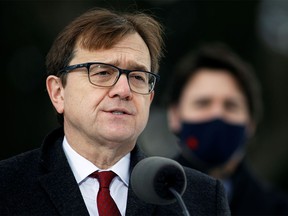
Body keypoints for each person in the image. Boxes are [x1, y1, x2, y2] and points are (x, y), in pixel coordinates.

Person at [0, 7, 230, 216]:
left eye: (138, 77)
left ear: (149, 98)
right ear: (58, 92)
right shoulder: (7, 185)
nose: (123, 90)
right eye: (102, 73)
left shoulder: (200, 198)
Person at [165, 42, 288, 215]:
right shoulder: (147, 200)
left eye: (230, 105)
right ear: (175, 117)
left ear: (251, 122)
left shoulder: (278, 209)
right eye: (203, 103)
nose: (217, 114)